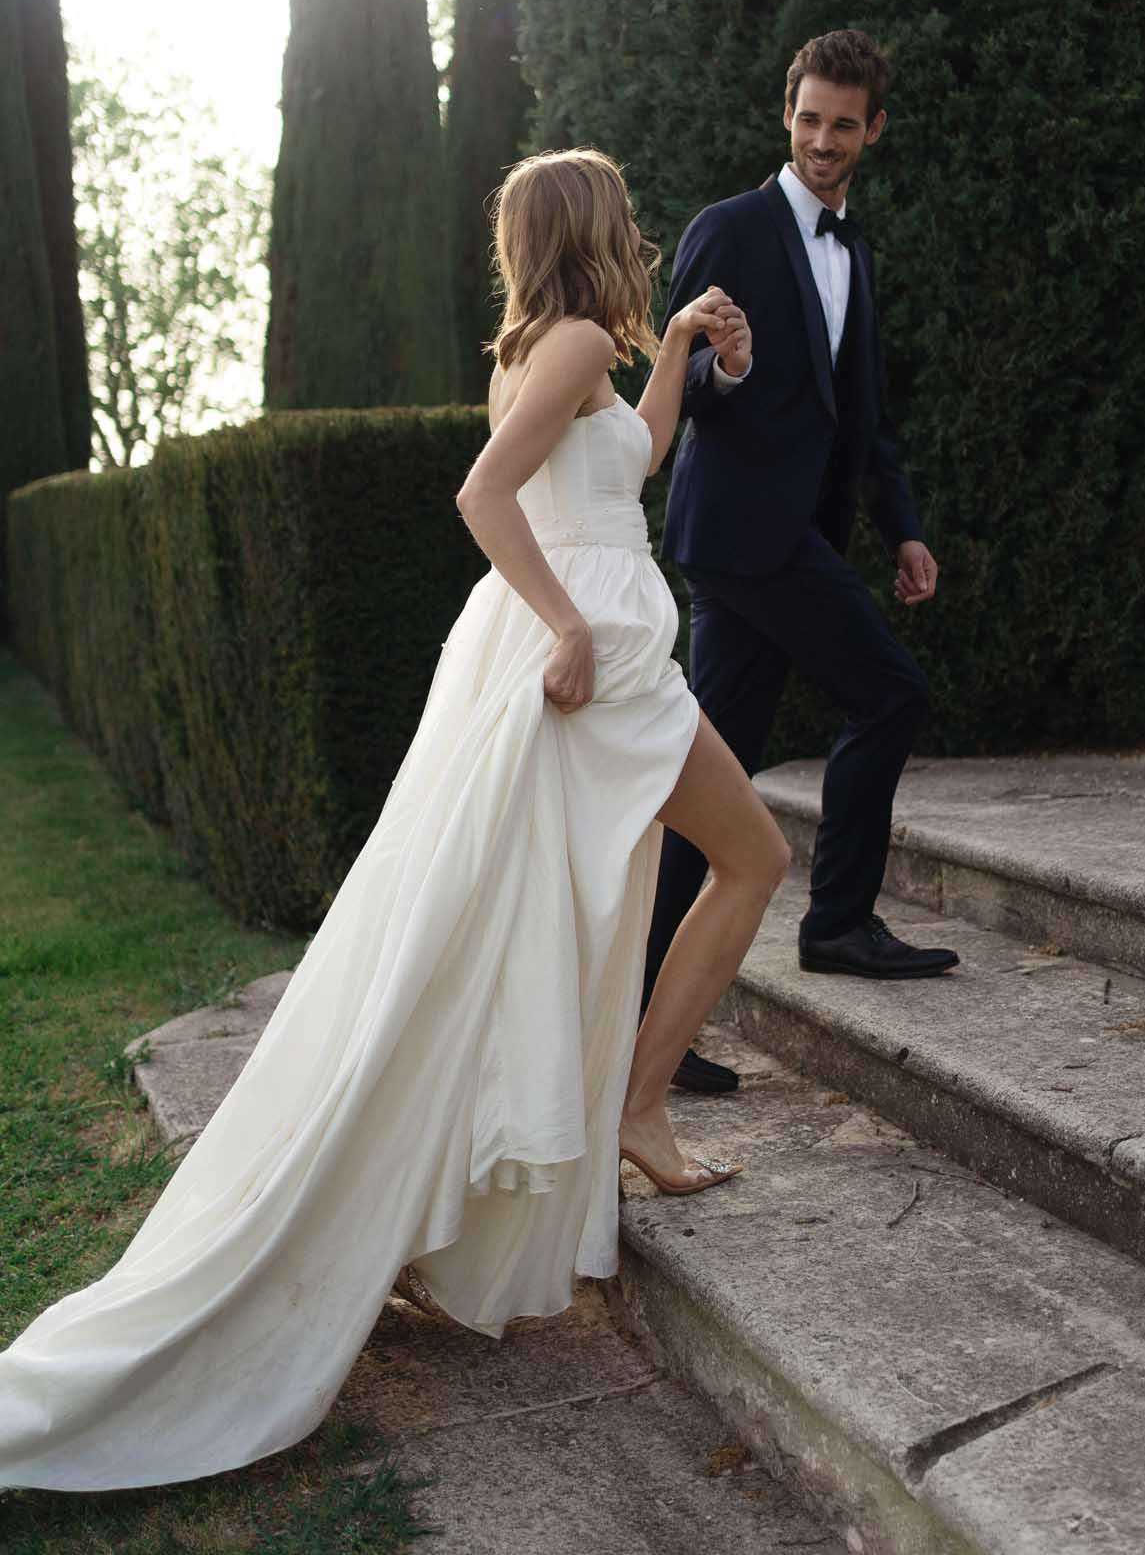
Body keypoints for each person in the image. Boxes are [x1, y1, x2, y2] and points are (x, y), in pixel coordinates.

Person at [0, 148, 788, 1495]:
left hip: (594, 638)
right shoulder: (572, 342)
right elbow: (483, 496)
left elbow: (622, 471)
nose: (641, 233)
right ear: (591, 230)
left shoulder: (553, 348)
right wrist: (565, 627)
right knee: (752, 856)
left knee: (553, 912)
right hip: (596, 648)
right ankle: (640, 1109)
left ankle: (622, 1112)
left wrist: (682, 353)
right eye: (623, 217)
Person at [645, 29, 959, 1099]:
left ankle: (643, 1023)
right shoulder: (728, 228)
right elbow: (677, 379)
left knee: (712, 775)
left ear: (874, 130)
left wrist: (901, 526)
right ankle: (837, 921)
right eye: (809, 119)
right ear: (788, 115)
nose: (823, 140)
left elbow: (864, 417)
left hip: (790, 540)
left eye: (844, 124)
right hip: (745, 538)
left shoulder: (854, 252)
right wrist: (727, 370)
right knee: (891, 691)